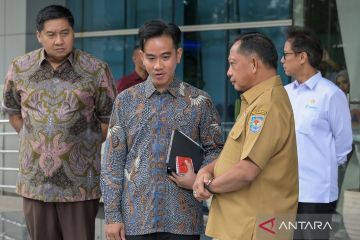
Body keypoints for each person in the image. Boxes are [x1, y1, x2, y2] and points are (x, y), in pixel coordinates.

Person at [100, 19, 223, 240]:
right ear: (141, 57)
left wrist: (199, 176)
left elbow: (215, 150)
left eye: (165, 57)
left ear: (178, 55)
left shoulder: (200, 101)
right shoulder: (125, 101)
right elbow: (113, 161)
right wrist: (112, 215)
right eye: (151, 58)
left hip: (183, 220)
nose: (158, 65)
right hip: (135, 219)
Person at [2, 5, 116, 240]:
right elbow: (12, 109)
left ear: (73, 32)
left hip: (80, 185)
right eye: (51, 34)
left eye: (65, 33)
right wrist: (29, 137)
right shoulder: (20, 68)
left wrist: (84, 143)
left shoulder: (95, 69)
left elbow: (109, 118)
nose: (59, 41)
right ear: (39, 36)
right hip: (35, 182)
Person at [193, 32, 299, 240]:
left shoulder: (267, 106)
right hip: (241, 225)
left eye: (233, 64)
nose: (228, 72)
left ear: (253, 64)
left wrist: (208, 186)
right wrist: (207, 169)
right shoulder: (256, 102)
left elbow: (246, 171)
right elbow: (236, 156)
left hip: (252, 228)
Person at [282, 26, 353, 239]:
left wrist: (322, 167)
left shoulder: (331, 94)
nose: (282, 60)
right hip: (285, 192)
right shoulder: (284, 94)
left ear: (302, 57)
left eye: (286, 55)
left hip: (316, 195)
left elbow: (343, 146)